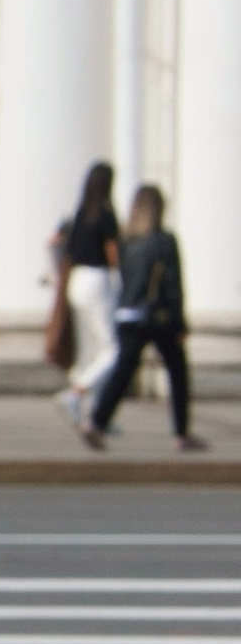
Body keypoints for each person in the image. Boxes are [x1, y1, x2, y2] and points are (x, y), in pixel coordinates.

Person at [81, 183, 206, 452]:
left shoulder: (126, 241)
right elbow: (172, 283)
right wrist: (180, 321)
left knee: (122, 372)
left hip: (128, 314)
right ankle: (181, 433)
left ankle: (97, 423)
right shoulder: (164, 240)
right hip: (158, 316)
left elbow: (124, 279)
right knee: (177, 374)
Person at [50, 160, 120, 420]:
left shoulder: (79, 213)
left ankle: (92, 414)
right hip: (97, 279)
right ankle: (77, 393)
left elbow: (56, 242)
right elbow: (113, 253)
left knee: (88, 349)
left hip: (75, 280)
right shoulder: (105, 214)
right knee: (113, 349)